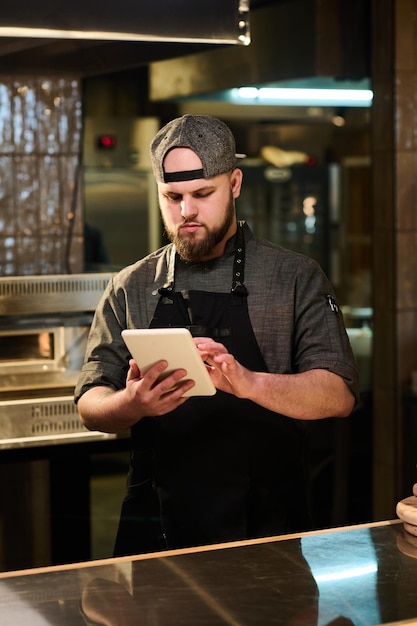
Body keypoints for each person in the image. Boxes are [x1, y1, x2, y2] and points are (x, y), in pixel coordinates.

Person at [75, 114, 359, 556]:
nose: (186, 211)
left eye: (202, 194)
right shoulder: (132, 284)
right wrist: (131, 404)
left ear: (235, 184)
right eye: (173, 197)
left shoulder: (293, 277)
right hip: (156, 532)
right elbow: (90, 404)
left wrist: (249, 383)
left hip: (268, 530)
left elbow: (338, 395)